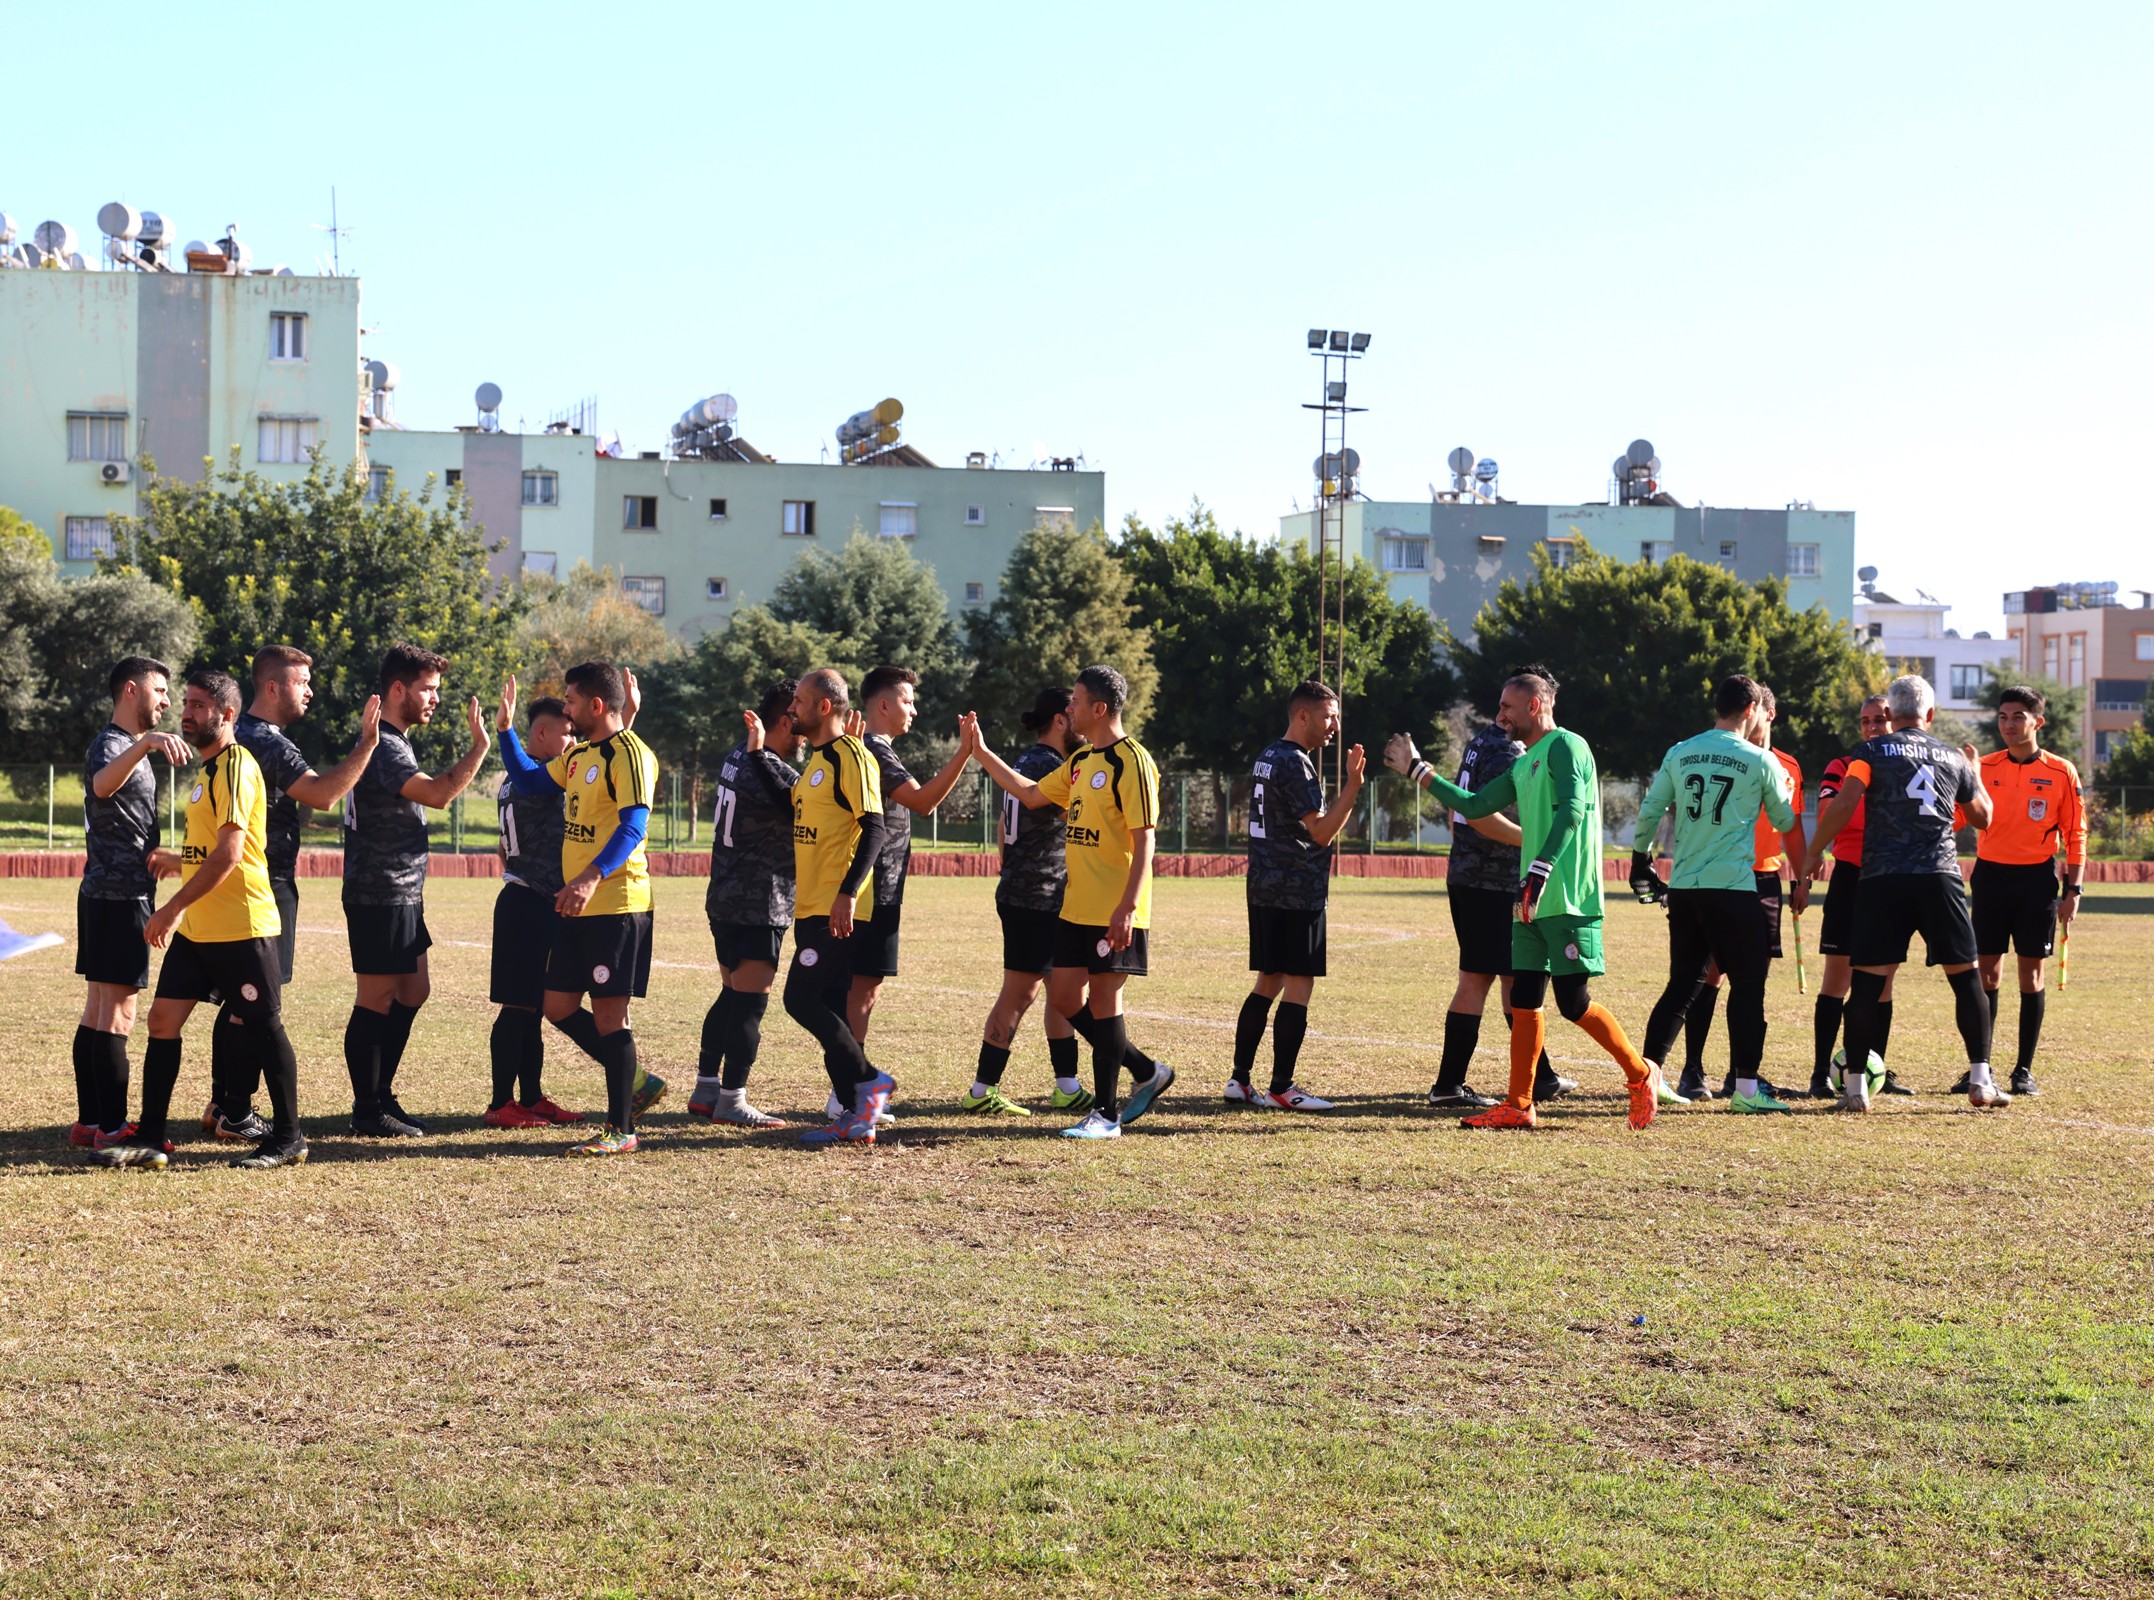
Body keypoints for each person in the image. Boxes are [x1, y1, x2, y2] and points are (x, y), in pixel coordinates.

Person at [1387, 667, 1665, 1131]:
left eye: (1506, 707)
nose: (1500, 715)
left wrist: (1539, 869)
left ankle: (1640, 1075)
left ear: (1534, 706)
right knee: (1525, 999)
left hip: (1567, 898)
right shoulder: (1524, 761)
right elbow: (1475, 807)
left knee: (1573, 1003)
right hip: (1529, 898)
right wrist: (1419, 771)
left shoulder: (1567, 746)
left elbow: (1573, 811)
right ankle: (1519, 1104)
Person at [92, 670, 309, 1170]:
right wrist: (179, 859)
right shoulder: (206, 772)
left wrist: (171, 907)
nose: (186, 712)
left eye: (198, 705)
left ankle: (290, 1136)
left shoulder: (235, 765)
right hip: (201, 930)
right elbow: (212, 848)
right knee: (163, 1021)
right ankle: (149, 1138)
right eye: (185, 703)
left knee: (263, 1026)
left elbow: (230, 854)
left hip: (242, 926)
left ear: (227, 715)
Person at [965, 664, 1174, 1140]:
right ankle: (1146, 1070)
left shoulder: (1132, 761)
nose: (1071, 709)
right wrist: (980, 753)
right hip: (1073, 908)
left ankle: (1105, 1115)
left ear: (1100, 709)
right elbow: (1030, 792)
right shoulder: (1081, 763)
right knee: (1063, 998)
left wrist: (1127, 907)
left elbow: (1145, 841)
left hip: (1113, 909)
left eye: (1077, 702)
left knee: (1104, 1002)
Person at [203, 645, 380, 1140]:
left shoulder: (234, 736)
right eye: (303, 682)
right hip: (266, 882)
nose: (311, 691)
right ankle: (235, 1110)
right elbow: (323, 795)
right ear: (274, 687)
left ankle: (223, 1104)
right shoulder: (270, 743)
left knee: (239, 999)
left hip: (233, 879)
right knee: (256, 1002)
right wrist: (367, 743)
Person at [1803, 674, 1999, 1110]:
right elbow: (1984, 817)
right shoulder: (1952, 756)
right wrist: (1977, 774)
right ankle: (1982, 1080)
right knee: (1966, 979)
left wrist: (1813, 851)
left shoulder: (1869, 750)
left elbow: (1844, 804)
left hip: (1883, 879)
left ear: (1890, 715)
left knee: (1868, 985)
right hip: (1939, 875)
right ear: (1931, 714)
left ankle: (1855, 1089)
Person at [497, 662, 661, 1155]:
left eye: (570, 701)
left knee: (611, 1016)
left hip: (616, 903)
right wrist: (504, 732)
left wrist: (590, 877)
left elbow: (632, 827)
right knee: (559, 1005)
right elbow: (528, 782)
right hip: (578, 904)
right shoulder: (579, 757)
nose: (564, 711)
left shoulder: (632, 754)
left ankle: (621, 1129)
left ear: (595, 704)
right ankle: (637, 1084)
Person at [1630, 675, 1807, 1113]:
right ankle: (1746, 1090)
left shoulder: (1680, 751)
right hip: (1733, 889)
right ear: (1751, 709)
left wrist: (1639, 859)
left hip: (1687, 888)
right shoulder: (1761, 760)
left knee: (1681, 985)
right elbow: (1787, 825)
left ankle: (1649, 1077)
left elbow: (1652, 809)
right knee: (1749, 984)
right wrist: (1802, 875)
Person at [340, 642, 491, 1138]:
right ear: (398, 689)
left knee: (413, 989)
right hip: (378, 892)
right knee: (376, 997)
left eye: (436, 690)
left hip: (401, 892)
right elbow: (439, 794)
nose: (434, 699)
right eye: (427, 689)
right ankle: (368, 1109)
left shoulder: (393, 739)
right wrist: (480, 747)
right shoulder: (383, 742)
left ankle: (381, 1093)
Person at [1427, 683, 1572, 1111]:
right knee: (1481, 979)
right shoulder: (1511, 751)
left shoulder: (1480, 742)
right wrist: (1536, 843)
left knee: (1513, 978)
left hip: (1472, 877)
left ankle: (1540, 1077)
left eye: (1507, 705)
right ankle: (1449, 1084)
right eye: (1503, 704)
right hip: (1489, 882)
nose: (1502, 712)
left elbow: (1463, 813)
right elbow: (1480, 818)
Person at [843, 665, 978, 1115]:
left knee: (866, 986)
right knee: (859, 988)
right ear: (883, 705)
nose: (914, 710)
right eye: (907, 701)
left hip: (878, 888)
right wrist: (964, 753)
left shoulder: (872, 748)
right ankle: (848, 1093)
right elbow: (922, 802)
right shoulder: (874, 751)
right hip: (867, 890)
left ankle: (850, 1090)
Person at [1227, 680, 1365, 1111]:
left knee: (1268, 980)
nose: (1335, 727)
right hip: (1296, 889)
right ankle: (1283, 1087)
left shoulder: (1267, 756)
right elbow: (1321, 833)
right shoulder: (1296, 763)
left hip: (1263, 885)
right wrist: (1353, 787)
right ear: (1302, 715)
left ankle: (1239, 1080)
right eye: (1328, 716)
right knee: (1299, 982)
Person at [73, 657, 189, 1151]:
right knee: (117, 1013)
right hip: (119, 898)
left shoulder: (124, 748)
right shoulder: (114, 745)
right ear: (130, 690)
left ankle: (91, 1123)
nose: (166, 700)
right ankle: (114, 1130)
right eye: (159, 690)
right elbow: (101, 785)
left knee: (99, 1010)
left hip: (108, 894)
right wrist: (145, 743)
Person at [961, 686, 1095, 1117]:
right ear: (1059, 720)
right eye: (1073, 711)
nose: (1080, 719)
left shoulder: (1026, 761)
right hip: (1036, 897)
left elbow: (1004, 825)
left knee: (1062, 989)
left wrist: (1013, 868)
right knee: (1020, 994)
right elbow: (1078, 819)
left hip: (1037, 892)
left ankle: (1067, 1086)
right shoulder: (1051, 766)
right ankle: (982, 1090)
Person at [783, 668, 895, 1147]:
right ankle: (856, 1115)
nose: (792, 708)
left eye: (800, 701)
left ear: (824, 706)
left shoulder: (852, 755)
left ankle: (870, 1081)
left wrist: (847, 893)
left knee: (799, 998)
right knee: (829, 1005)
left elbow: (875, 828)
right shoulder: (817, 760)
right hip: (810, 905)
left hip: (838, 906)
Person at [689, 680, 803, 1129]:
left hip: (724, 895)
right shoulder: (768, 766)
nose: (807, 736)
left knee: (732, 995)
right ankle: (732, 1099)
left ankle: (705, 1089)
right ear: (783, 721)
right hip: (760, 900)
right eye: (801, 723)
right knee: (751, 1003)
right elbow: (804, 803)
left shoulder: (737, 755)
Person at [1966, 685, 2085, 1098]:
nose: (2009, 724)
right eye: (2003, 716)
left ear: (2038, 721)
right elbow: (1960, 818)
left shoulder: (2060, 771)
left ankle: (2023, 1070)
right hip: (1989, 876)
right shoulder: (1982, 766)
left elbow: (2075, 832)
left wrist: (2074, 890)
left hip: (2035, 881)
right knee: (1985, 974)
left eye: (2018, 716)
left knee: (2030, 975)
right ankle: (1980, 1067)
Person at [481, 680, 584, 1129]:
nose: (574, 742)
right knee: (518, 1007)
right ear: (540, 735)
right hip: (527, 901)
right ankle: (501, 1102)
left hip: (534, 900)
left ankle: (532, 1097)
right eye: (567, 733)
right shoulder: (534, 778)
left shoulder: (519, 777)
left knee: (533, 1006)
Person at [1810, 696, 1911, 1098]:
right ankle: (1819, 1075)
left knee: (1883, 982)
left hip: (1891, 879)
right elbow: (1832, 813)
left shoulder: (1907, 764)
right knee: (1837, 979)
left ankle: (1876, 1071)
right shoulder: (1841, 765)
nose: (1872, 727)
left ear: (1894, 721)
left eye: (1880, 720)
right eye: (1865, 720)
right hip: (1850, 876)